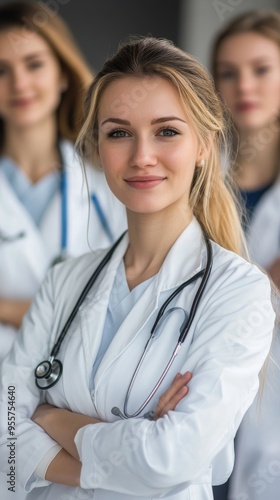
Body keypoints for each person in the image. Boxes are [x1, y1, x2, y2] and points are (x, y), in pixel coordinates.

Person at [0, 36, 276, 500]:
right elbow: (5, 443)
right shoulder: (64, 282)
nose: (141, 155)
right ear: (98, 145)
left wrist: (47, 417)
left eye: (167, 131)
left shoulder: (239, 292)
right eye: (119, 132)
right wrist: (128, 448)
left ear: (205, 145)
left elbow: (170, 459)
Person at [0, 1, 126, 364]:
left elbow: (129, 302)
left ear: (62, 74)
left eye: (34, 64)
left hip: (83, 387)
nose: (19, 83)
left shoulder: (110, 182)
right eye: (1, 70)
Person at [211, 10, 280, 500]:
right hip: (197, 386)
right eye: (228, 72)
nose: (244, 86)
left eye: (261, 69)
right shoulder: (190, 175)